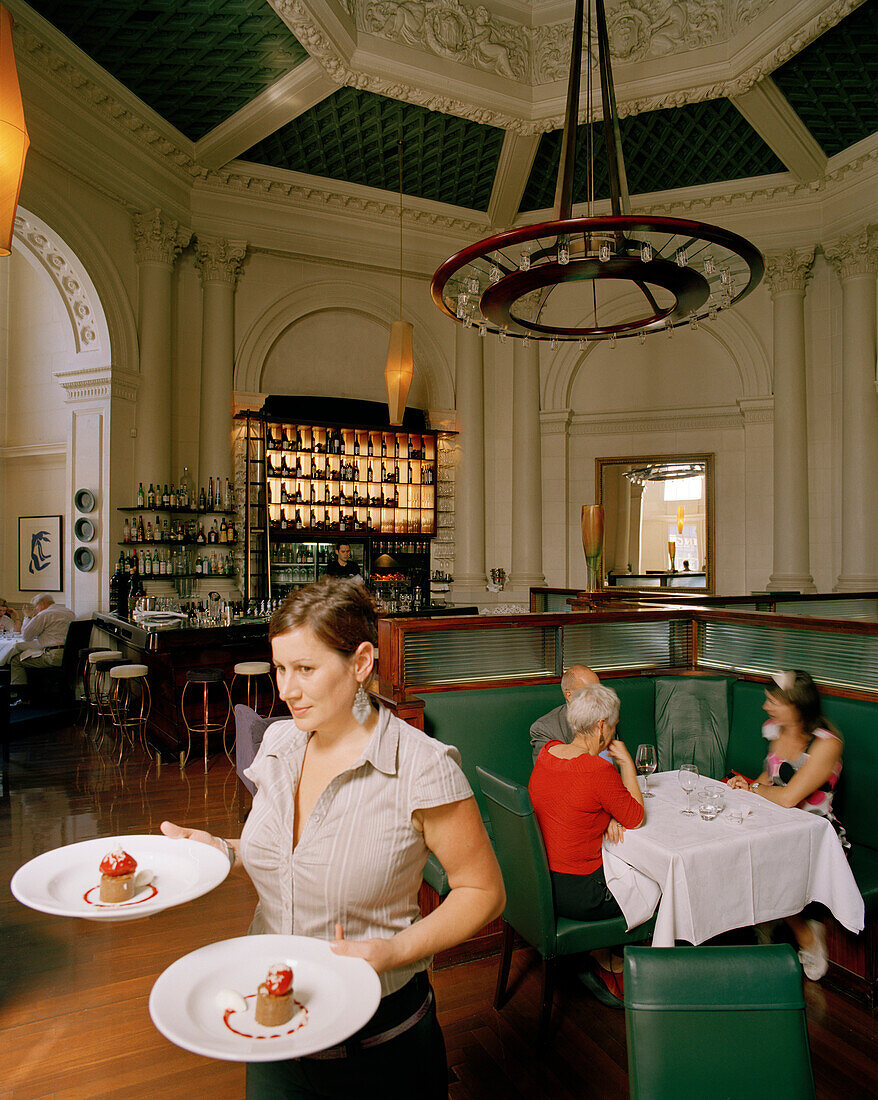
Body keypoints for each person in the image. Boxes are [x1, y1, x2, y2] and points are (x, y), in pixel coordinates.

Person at [161, 577, 504, 1098]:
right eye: (280, 668)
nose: (285, 689)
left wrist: (392, 951)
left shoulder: (421, 766)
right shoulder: (280, 743)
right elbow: (291, 853)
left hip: (380, 1046)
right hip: (272, 1029)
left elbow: (484, 892)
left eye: (305, 669)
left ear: (361, 662)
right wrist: (225, 851)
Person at [528, 683, 644, 1006]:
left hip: (544, 887)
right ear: (601, 726)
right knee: (657, 881)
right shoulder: (599, 769)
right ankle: (614, 963)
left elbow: (568, 802)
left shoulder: (549, 752)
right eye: (614, 724)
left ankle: (596, 954)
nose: (614, 732)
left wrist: (607, 815)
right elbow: (635, 816)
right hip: (582, 895)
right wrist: (627, 765)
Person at [727, 669, 846, 980]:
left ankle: (805, 934)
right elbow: (772, 778)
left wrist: (754, 789)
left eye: (774, 702)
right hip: (778, 824)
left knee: (762, 862)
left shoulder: (826, 744)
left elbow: (789, 796)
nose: (767, 707)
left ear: (798, 705)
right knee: (730, 845)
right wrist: (748, 784)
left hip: (817, 835)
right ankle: (765, 918)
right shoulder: (775, 730)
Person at [530, 664, 600, 762]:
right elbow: (546, 771)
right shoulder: (545, 729)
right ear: (569, 695)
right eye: (590, 692)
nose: (598, 697)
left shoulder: (607, 715)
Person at [9, 593, 74, 697]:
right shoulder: (68, 612)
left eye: (36, 606)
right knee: (30, 654)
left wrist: (27, 616)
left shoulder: (44, 614)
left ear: (42, 603)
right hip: (70, 656)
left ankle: (21, 696)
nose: (36, 609)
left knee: (16, 660)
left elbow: (26, 636)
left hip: (53, 656)